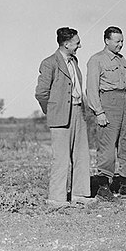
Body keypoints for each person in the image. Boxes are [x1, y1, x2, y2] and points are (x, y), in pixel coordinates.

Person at [35, 27, 92, 205]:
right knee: (60, 157)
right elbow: (41, 93)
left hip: (77, 112)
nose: (80, 46)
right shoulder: (49, 63)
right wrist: (53, 110)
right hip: (60, 115)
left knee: (82, 155)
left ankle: (80, 194)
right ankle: (56, 198)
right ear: (67, 44)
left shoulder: (74, 61)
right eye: (77, 43)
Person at [86, 26, 126, 200]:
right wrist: (99, 112)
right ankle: (103, 185)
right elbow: (92, 89)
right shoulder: (97, 60)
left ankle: (125, 183)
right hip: (108, 102)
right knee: (107, 146)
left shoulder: (122, 60)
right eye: (117, 41)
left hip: (125, 101)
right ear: (107, 41)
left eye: (122, 41)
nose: (121, 44)